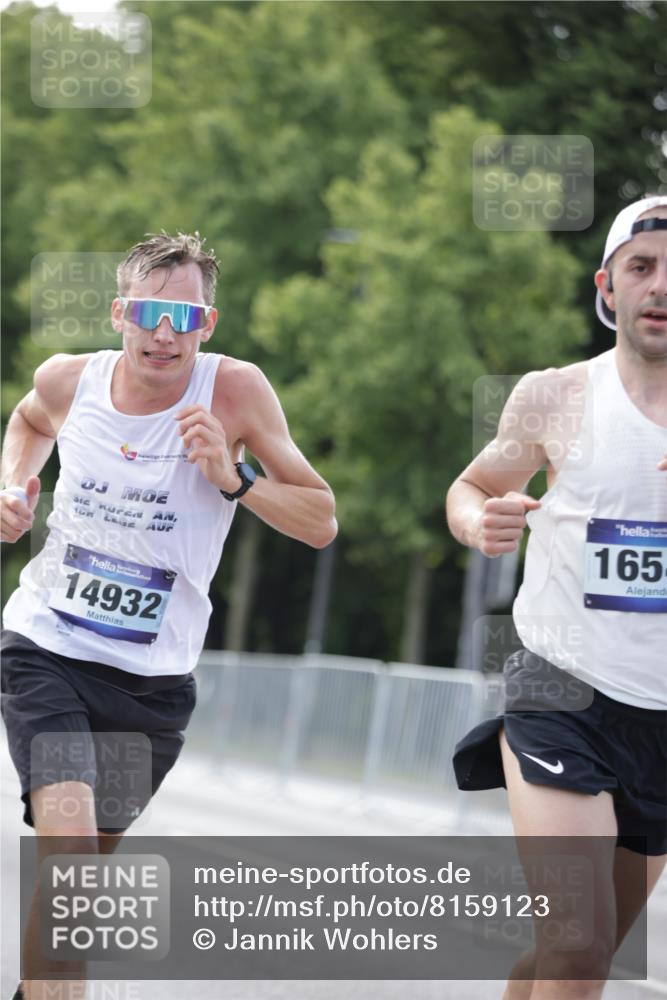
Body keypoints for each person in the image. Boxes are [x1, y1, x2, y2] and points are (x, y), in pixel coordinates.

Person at [0, 231, 338, 1000]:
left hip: (152, 685)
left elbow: (321, 520)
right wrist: (15, 487)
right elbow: (26, 424)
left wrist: (233, 477)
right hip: (46, 647)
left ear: (207, 325)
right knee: (72, 857)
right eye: (150, 313)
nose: (165, 334)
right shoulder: (67, 380)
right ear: (120, 312)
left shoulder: (235, 393)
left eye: (184, 318)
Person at [446, 195, 667, 1000]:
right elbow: (471, 486)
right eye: (641, 268)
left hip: (661, 718)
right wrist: (481, 523)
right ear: (606, 287)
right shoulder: (554, 396)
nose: (659, 287)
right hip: (557, 688)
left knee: (580, 958)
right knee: (575, 944)